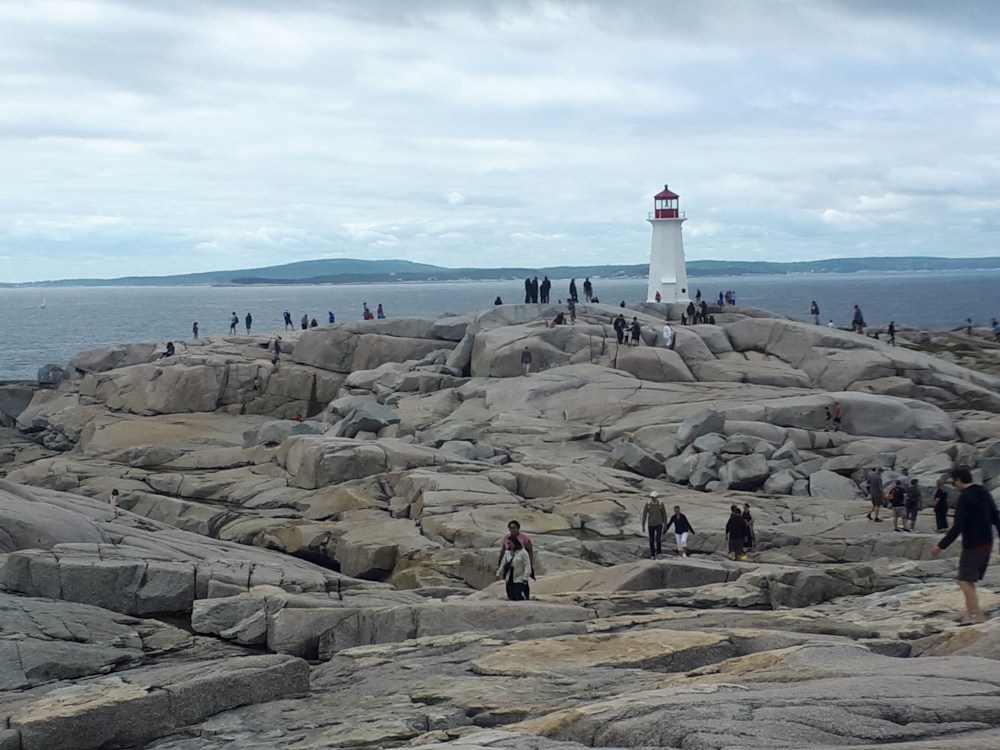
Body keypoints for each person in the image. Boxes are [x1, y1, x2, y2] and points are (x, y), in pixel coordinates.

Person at [931, 467, 1000, 625]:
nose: (954, 484)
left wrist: (940, 546)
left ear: (959, 480)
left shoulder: (965, 497)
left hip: (972, 544)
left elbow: (958, 526)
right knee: (968, 581)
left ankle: (979, 616)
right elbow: (996, 517)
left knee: (963, 581)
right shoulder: (983, 492)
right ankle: (969, 616)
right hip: (987, 542)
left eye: (954, 481)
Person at [498, 536, 532, 600]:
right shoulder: (507, 553)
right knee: (510, 594)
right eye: (508, 543)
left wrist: (525, 576)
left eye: (510, 543)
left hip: (519, 576)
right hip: (510, 575)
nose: (508, 545)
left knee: (517, 593)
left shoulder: (523, 552)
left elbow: (527, 565)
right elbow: (503, 563)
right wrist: (499, 573)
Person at [640, 491, 667, 559]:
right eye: (652, 497)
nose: (653, 498)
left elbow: (664, 514)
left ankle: (659, 552)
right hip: (651, 524)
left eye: (654, 497)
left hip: (659, 523)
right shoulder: (648, 504)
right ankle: (652, 554)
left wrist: (665, 524)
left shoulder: (660, 504)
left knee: (658, 539)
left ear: (656, 497)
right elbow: (644, 514)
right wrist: (643, 525)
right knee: (651, 540)